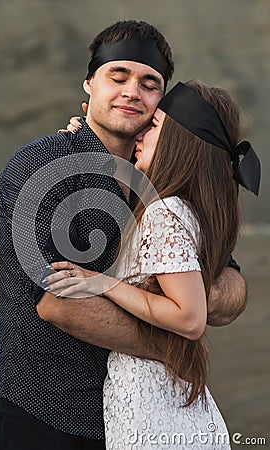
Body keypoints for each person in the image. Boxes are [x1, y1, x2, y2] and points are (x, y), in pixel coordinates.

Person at [0, 21, 248, 449]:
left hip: (137, 414)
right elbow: (59, 304)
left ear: (162, 101)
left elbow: (231, 285)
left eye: (149, 83)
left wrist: (186, 305)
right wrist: (176, 345)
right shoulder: (42, 166)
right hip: (42, 406)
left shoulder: (167, 185)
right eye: (118, 76)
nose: (132, 92)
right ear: (89, 83)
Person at [44, 80, 261, 448]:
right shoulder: (183, 208)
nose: (141, 134)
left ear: (179, 142)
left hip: (152, 405)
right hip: (166, 401)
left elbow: (190, 319)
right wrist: (88, 144)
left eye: (155, 126)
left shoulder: (165, 211)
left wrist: (104, 283)